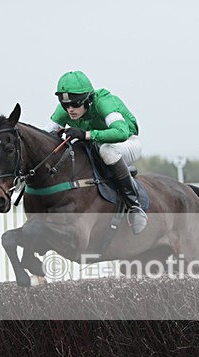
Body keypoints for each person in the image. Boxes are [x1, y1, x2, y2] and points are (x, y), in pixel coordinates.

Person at [49, 71, 147, 234]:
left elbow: (121, 132)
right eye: (66, 105)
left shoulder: (103, 102)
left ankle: (134, 205)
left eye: (75, 104)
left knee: (106, 150)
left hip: (126, 143)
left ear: (88, 100)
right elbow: (45, 135)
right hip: (95, 146)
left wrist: (87, 134)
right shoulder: (65, 110)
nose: (70, 109)